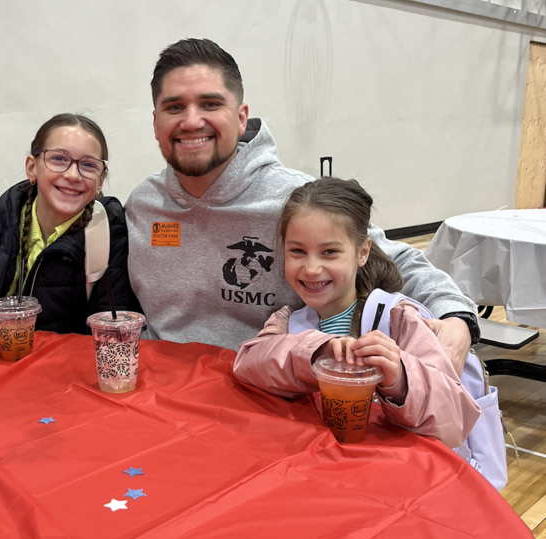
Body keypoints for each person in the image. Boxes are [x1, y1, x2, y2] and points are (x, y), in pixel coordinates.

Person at [125, 38, 479, 371]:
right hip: (162, 390)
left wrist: (455, 318)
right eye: (174, 107)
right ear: (155, 122)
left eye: (210, 104)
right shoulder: (143, 206)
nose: (191, 121)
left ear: (241, 116)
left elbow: (394, 260)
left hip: (266, 391)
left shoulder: (293, 199)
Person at [233, 177, 481, 450]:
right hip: (317, 466)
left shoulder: (398, 318)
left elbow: (453, 417)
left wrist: (400, 377)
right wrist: (315, 352)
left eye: (329, 252)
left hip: (390, 473)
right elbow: (247, 365)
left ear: (362, 252)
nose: (312, 268)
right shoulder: (288, 320)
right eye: (297, 251)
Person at [0, 113, 136, 354]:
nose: (73, 175)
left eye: (88, 165)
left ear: (100, 180)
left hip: (64, 378)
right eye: (58, 159)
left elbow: (114, 332)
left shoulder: (107, 233)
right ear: (32, 167)